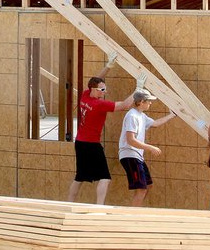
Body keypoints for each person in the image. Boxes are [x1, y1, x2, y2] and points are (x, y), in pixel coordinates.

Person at [66, 55, 136, 205]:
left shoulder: (85, 96)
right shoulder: (99, 105)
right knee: (105, 177)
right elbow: (124, 105)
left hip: (80, 143)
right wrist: (138, 89)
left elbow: (95, 79)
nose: (105, 91)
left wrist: (108, 66)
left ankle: (69, 204)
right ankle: (99, 207)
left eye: (105, 89)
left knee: (80, 177)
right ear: (95, 90)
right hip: (91, 144)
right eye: (102, 90)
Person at [118, 89, 177, 206]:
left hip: (136, 155)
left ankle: (135, 211)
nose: (150, 103)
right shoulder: (132, 116)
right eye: (148, 101)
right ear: (140, 102)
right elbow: (131, 140)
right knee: (141, 188)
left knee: (148, 185)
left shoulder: (141, 115)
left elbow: (155, 123)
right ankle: (134, 217)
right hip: (130, 155)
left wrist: (172, 115)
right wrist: (150, 148)